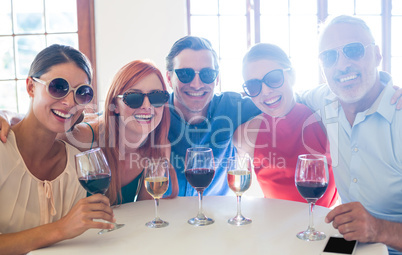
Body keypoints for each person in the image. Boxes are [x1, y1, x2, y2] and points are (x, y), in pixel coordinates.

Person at [300, 15, 402, 255]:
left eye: (353, 51)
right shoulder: (325, 99)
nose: (342, 65)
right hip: (347, 252)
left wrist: (380, 229)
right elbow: (281, 97)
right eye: (329, 57)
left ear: (378, 55)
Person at [0, 44, 115, 255]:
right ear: (31, 87)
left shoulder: (76, 165)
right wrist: (61, 228)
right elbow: (64, 232)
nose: (70, 102)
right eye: (58, 87)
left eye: (81, 92)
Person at [234, 43, 338, 208]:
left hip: (323, 229)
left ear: (292, 76)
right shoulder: (246, 135)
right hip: (272, 230)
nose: (266, 91)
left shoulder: (325, 121)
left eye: (274, 78)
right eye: (254, 86)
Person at [62, 60, 178, 204]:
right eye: (134, 98)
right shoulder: (85, 137)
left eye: (157, 97)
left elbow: (145, 211)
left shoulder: (160, 147)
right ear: (114, 105)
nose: (147, 106)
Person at [165, 36, 261, 196]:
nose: (196, 84)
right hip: (164, 217)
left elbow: (280, 106)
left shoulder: (232, 106)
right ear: (169, 78)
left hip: (216, 218)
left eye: (207, 74)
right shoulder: (153, 112)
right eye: (185, 74)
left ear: (217, 79)